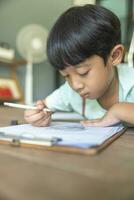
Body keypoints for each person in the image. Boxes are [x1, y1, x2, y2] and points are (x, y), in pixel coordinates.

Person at [24, 4, 134, 127]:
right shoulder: (70, 92)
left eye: (83, 72)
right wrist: (37, 115)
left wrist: (117, 111)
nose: (75, 85)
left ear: (114, 56)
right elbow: (43, 106)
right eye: (66, 76)